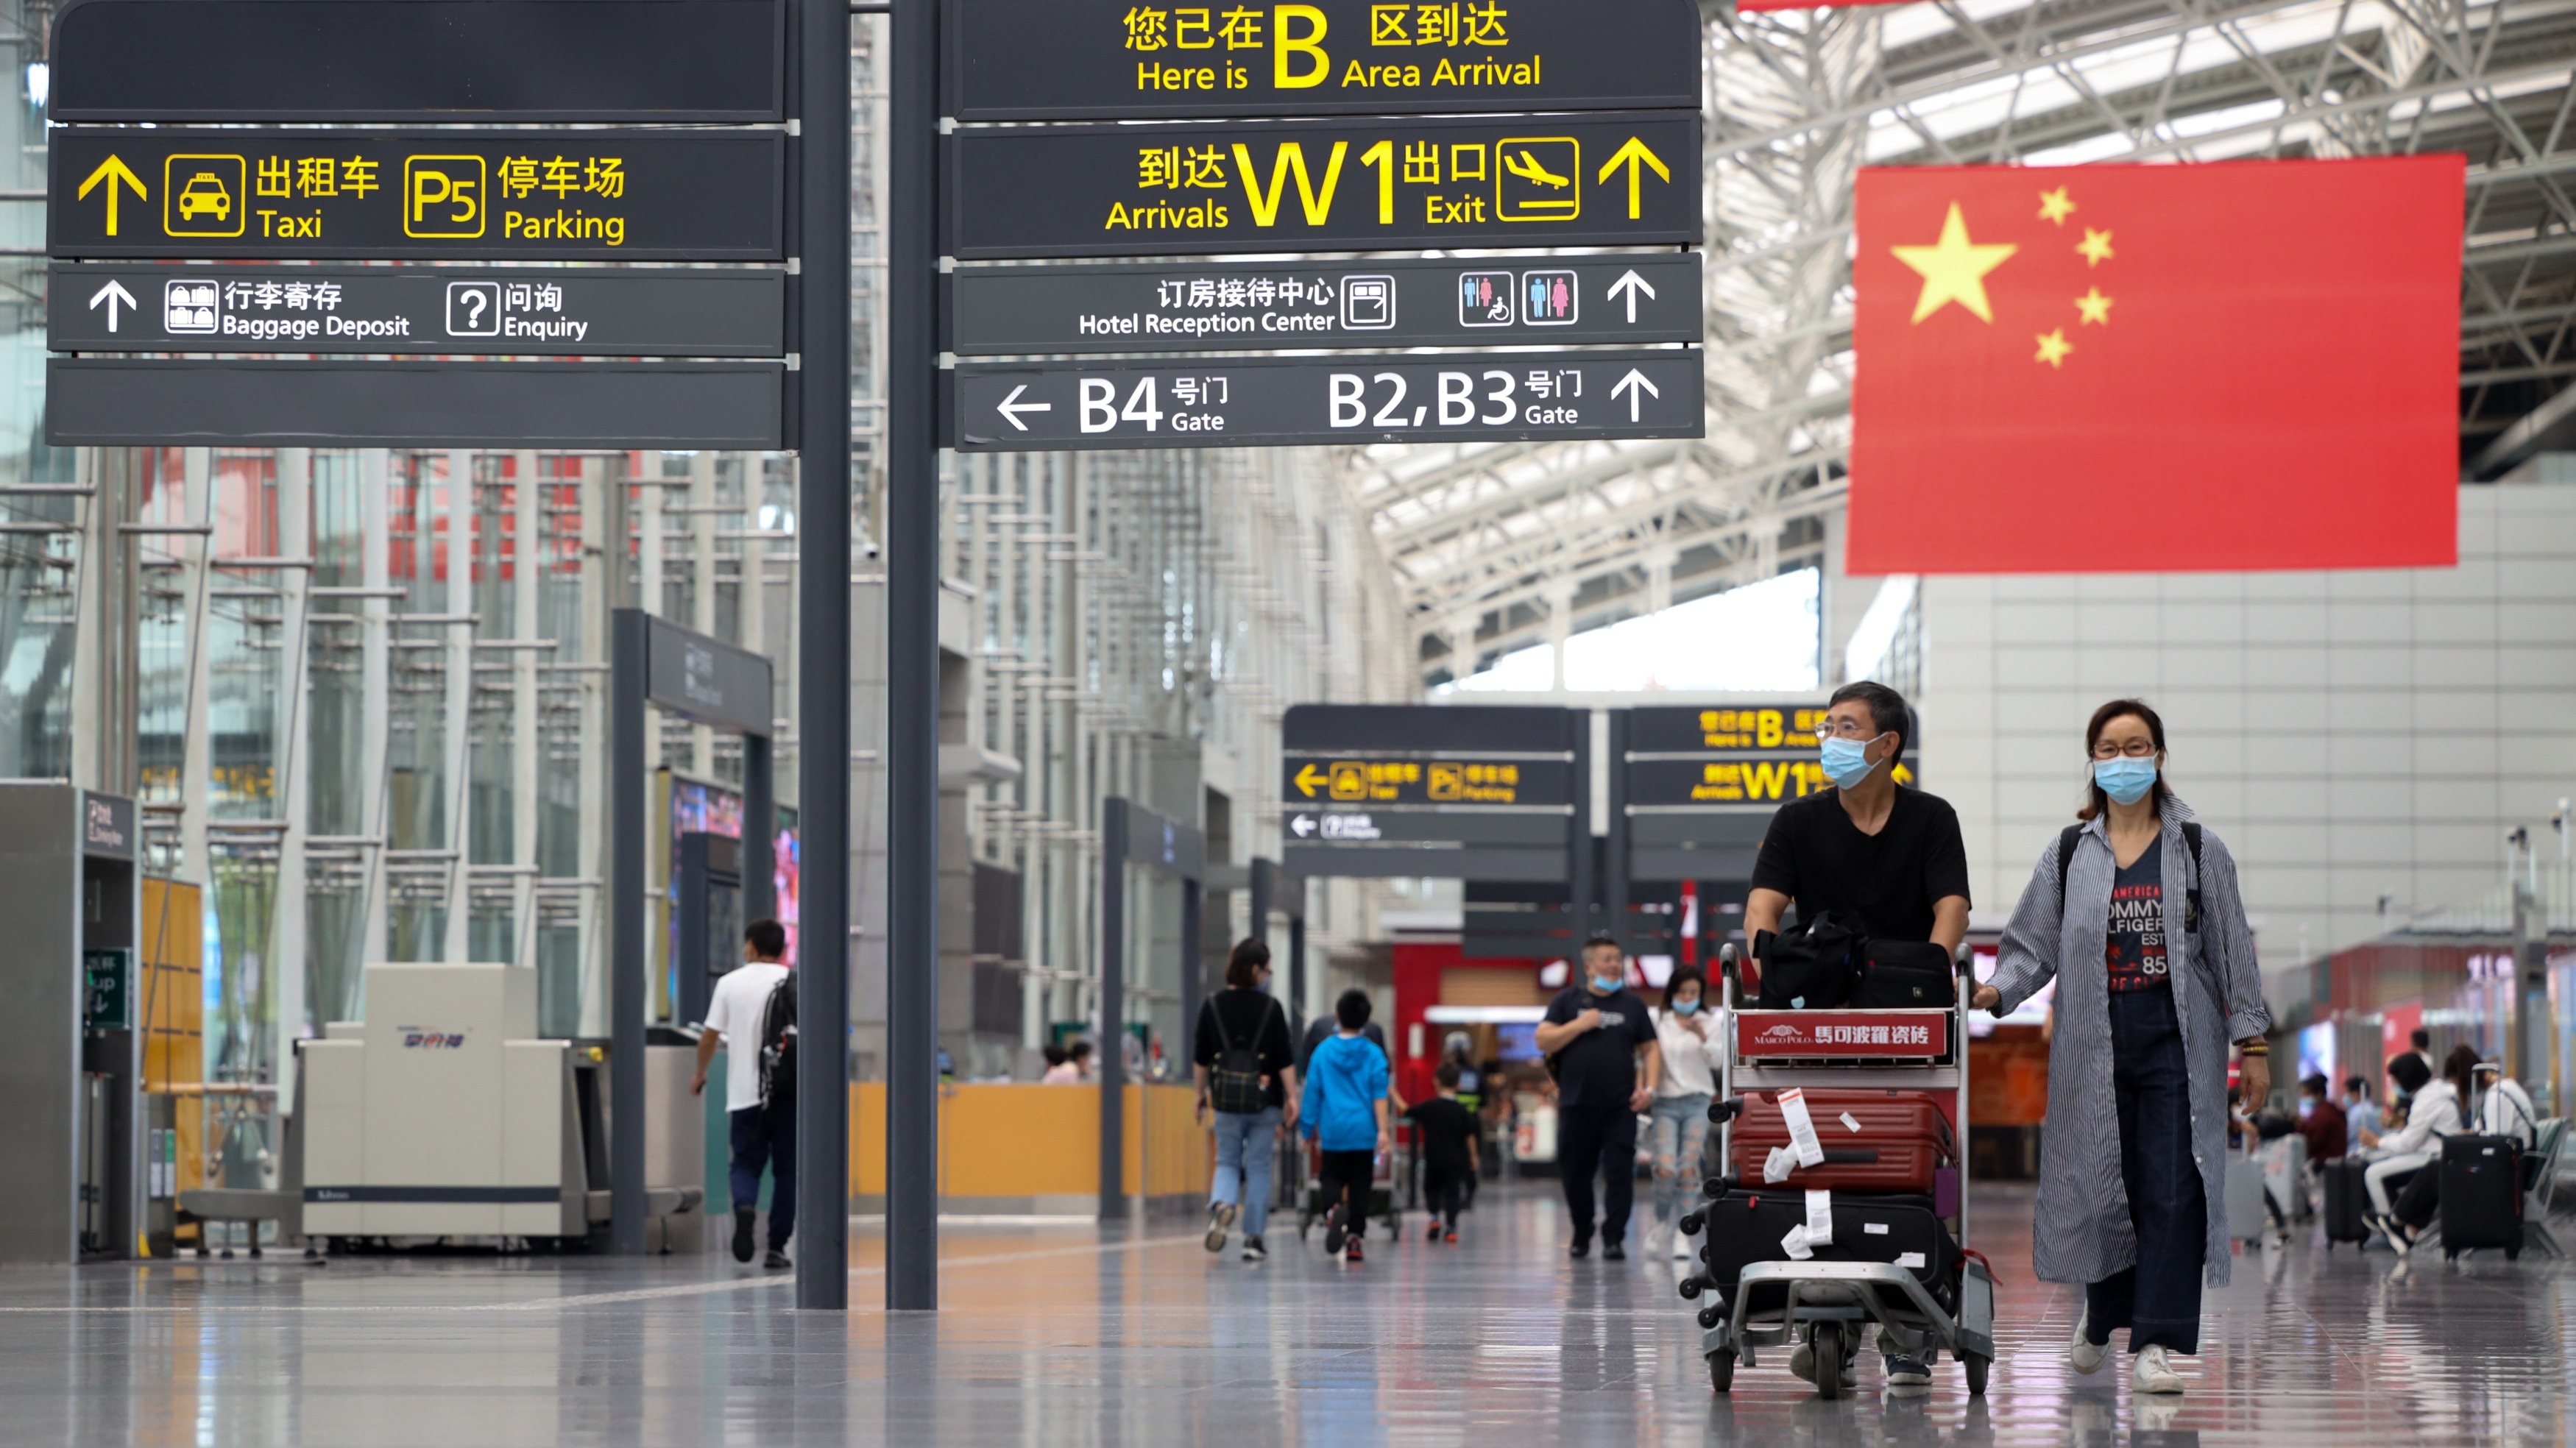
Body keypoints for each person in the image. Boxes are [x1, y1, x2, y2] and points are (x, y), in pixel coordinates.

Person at [1975, 699, 2269, 1398]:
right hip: (2091, 1040)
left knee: (2173, 1188)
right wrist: (1996, 992)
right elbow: (2030, 945)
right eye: (2109, 748)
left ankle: (2158, 1342)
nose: (2123, 759)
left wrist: (2251, 1044)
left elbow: (2231, 951)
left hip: (2177, 1040)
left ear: (2159, 757)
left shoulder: (2198, 849)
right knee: (2102, 1184)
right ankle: (2104, 1312)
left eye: (2136, 746)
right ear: (2094, 761)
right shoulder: (2071, 852)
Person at [1747, 680, 1970, 1391]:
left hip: (1905, 1023)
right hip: (1817, 1022)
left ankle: (1910, 1331)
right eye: (1827, 726)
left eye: (1846, 727)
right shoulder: (1797, 821)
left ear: (1886, 745)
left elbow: (1952, 908)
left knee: (1908, 1171)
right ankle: (1826, 1321)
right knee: (1819, 1167)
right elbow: (1764, 903)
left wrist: (1929, 983)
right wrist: (1769, 961)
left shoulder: (1931, 819)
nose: (1829, 740)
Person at [1533, 933, 1661, 1262]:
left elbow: (1650, 1048)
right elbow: (1543, 1040)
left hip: (1621, 1107)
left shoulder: (1632, 1006)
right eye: (1607, 959)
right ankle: (1582, 1229)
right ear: (1589, 966)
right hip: (1576, 1105)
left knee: (1620, 1174)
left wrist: (1649, 1090)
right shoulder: (1567, 1001)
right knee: (1576, 1175)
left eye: (1618, 959)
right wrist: (1578, 1025)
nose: (1615, 965)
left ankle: (1614, 1237)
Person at [690, 918, 796, 1270]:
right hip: (787, 1093)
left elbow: (708, 1037)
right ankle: (777, 1247)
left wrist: (700, 1073)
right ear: (781, 949)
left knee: (746, 1164)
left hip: (744, 1094)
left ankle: (746, 1207)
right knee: (787, 1171)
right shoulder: (793, 981)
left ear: (750, 946)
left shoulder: (729, 983)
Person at [1192, 938, 1298, 1263]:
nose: (1268, 975)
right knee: (1259, 1167)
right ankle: (1254, 1239)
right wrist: (1293, 1096)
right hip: (1264, 1102)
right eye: (1267, 969)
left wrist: (1200, 1094)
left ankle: (1223, 1204)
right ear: (1255, 970)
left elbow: (1201, 1057)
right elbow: (1284, 1059)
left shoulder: (1212, 1005)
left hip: (1225, 1100)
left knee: (1226, 1160)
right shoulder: (1272, 1007)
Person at [2381, 1054, 2537, 1255]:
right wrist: (2472, 1136)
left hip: (2509, 1173)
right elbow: (2494, 1138)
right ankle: (2409, 1229)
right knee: (2443, 1167)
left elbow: (2496, 1142)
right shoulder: (2501, 1091)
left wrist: (2472, 1139)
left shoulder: (2498, 1096)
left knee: (2443, 1167)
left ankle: (2398, 1219)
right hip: (2509, 1167)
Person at [1301, 990, 1392, 1263]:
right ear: (1367, 1019)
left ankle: (1331, 1212)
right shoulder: (1375, 1054)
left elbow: (1312, 1093)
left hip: (1333, 1130)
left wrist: (1307, 1130)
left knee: (1330, 1177)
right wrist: (1384, 1131)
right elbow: (1380, 1095)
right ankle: (1355, 1239)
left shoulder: (1323, 1052)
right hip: (1364, 1131)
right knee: (1361, 1185)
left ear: (1337, 1016)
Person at [1646, 964, 1723, 1261]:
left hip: (1697, 1101)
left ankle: (1683, 1230)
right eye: (1683, 991)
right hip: (1664, 1101)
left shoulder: (1709, 1022)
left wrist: (1702, 1034)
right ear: (1672, 992)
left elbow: (1717, 1061)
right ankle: (1662, 1220)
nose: (1688, 997)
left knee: (1688, 1166)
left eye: (1694, 992)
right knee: (1665, 1167)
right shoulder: (1658, 1020)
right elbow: (1647, 1057)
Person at [2358, 1050, 2458, 1236]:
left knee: (2374, 1173)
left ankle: (2394, 1228)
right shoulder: (2435, 1092)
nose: (2394, 1085)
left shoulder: (2427, 1100)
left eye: (2395, 1081)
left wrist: (2377, 1142)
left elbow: (2407, 1144)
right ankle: (2402, 1224)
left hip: (2434, 1157)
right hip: (2435, 1152)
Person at [1403, 1062, 1480, 1243]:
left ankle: (1435, 1218)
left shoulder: (1429, 1107)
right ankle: (1451, 1227)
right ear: (1459, 1085)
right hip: (1456, 1159)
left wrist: (1392, 1093)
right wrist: (1473, 1156)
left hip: (1433, 1158)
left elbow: (1407, 1111)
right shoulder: (1462, 1111)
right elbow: (1470, 1136)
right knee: (1452, 1192)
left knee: (1432, 1189)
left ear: (1436, 1082)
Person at [2296, 1074, 2347, 1165]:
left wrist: (2299, 1128)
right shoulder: (2328, 1111)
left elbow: (2312, 1142)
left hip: (2326, 1164)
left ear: (2319, 1094)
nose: (2304, 1098)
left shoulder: (2323, 1115)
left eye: (2306, 1095)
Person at [2340, 1076, 2381, 1153]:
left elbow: (2347, 1136)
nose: (2345, 1096)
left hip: (2359, 1153)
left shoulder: (2359, 1112)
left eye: (2347, 1092)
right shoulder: (2367, 1108)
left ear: (2355, 1093)